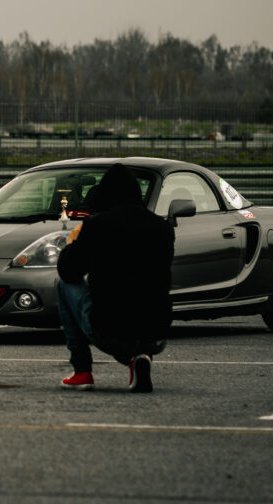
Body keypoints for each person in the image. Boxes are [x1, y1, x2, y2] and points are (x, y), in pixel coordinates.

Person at [54, 163, 175, 393]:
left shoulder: (97, 225)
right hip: (156, 330)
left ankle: (82, 371)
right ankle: (141, 357)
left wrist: (73, 243)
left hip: (109, 328)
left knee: (64, 285)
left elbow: (69, 271)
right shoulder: (162, 228)